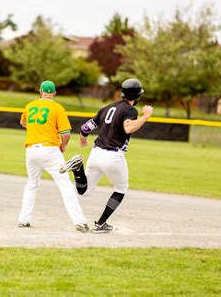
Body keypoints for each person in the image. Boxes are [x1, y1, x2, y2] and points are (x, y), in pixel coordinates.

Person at [59, 78, 153, 233]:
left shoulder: (107, 108)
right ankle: (101, 224)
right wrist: (145, 116)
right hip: (113, 156)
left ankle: (77, 169)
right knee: (121, 189)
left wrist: (83, 140)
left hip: (95, 153)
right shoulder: (130, 110)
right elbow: (128, 128)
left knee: (85, 191)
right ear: (137, 96)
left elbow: (85, 127)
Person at [18, 80, 89, 233]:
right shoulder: (57, 107)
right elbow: (66, 134)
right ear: (54, 93)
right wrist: (63, 146)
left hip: (31, 150)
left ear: (40, 92)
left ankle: (23, 219)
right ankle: (79, 222)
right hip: (50, 150)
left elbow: (23, 123)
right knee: (65, 185)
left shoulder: (30, 106)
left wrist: (36, 129)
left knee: (31, 184)